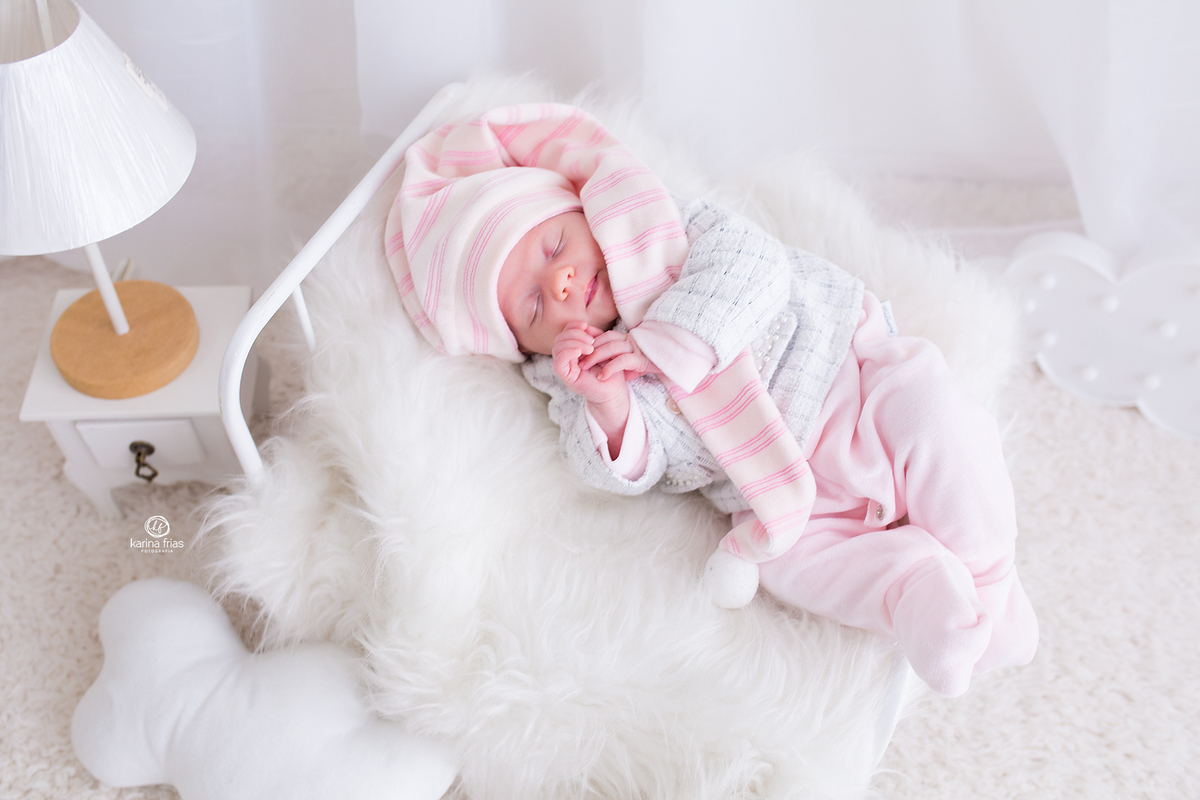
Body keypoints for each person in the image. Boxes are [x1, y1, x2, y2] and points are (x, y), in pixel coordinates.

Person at [385, 102, 1037, 697]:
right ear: (524, 346)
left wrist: (661, 345)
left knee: (936, 417)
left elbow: (758, 269)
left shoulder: (675, 231)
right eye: (531, 303)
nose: (559, 282)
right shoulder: (571, 381)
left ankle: (987, 574)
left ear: (590, 214)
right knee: (791, 566)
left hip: (851, 380)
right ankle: (922, 593)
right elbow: (627, 471)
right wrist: (610, 407)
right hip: (780, 488)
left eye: (555, 246)